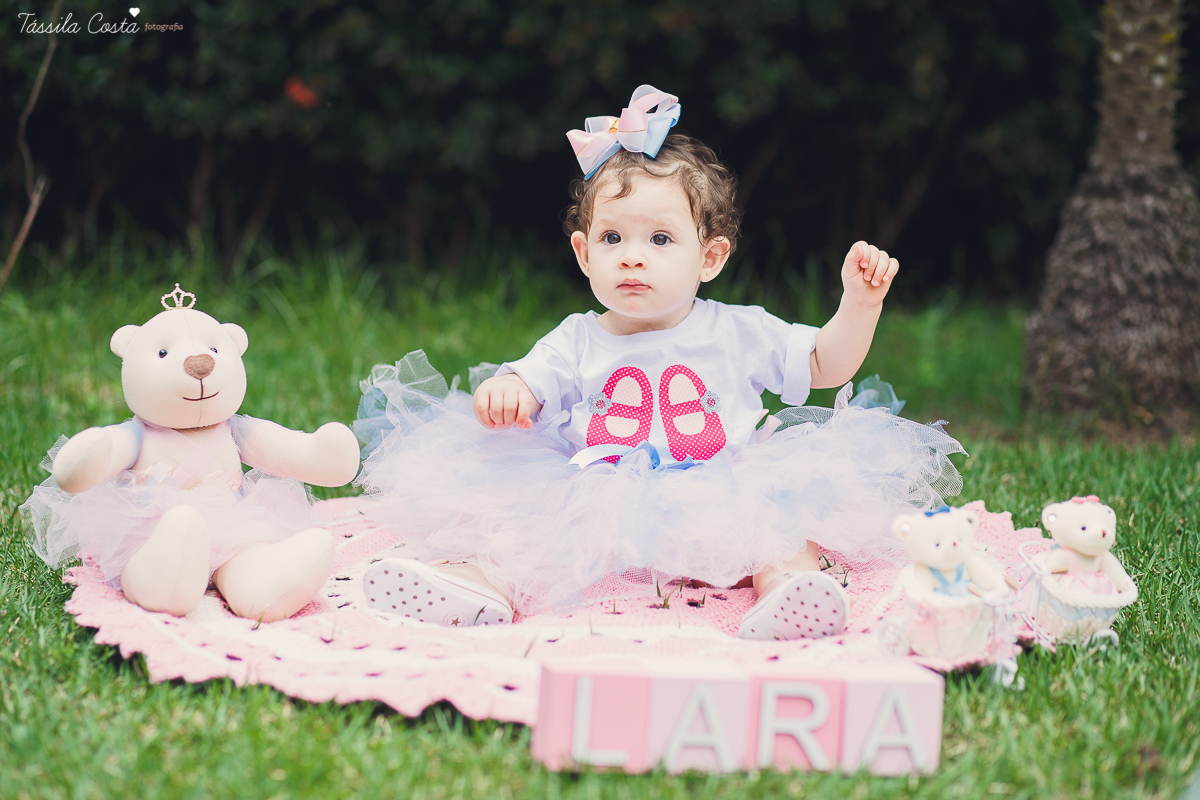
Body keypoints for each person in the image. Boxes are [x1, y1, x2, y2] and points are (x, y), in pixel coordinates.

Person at [356, 86, 964, 639]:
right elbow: (531, 378)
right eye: (613, 239)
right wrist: (510, 390)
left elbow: (823, 365)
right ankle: (478, 585)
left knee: (776, 526)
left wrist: (859, 306)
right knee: (530, 535)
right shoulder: (576, 339)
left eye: (661, 240)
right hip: (599, 490)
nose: (632, 259)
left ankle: (788, 593)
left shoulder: (737, 331)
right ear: (583, 253)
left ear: (711, 257)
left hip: (721, 485)